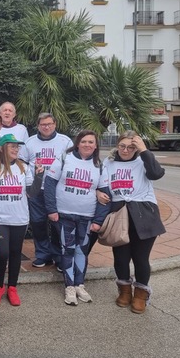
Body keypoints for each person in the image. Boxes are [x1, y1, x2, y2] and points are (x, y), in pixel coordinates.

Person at [98, 130, 166, 314]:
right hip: (119, 214)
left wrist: (144, 150)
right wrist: (98, 192)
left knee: (140, 258)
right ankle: (124, 290)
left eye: (131, 147)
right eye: (122, 146)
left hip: (144, 214)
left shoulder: (142, 161)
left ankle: (141, 294)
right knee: (120, 257)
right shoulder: (109, 162)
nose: (126, 150)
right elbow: (101, 182)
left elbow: (156, 173)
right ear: (117, 145)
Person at [44, 130, 110, 306]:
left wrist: (98, 221)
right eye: (84, 141)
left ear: (96, 146)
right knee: (68, 249)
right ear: (78, 143)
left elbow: (106, 195)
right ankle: (69, 287)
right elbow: (49, 183)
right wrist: (51, 209)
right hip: (64, 215)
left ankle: (80, 284)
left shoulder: (99, 165)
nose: (87, 145)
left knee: (82, 251)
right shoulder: (64, 158)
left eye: (91, 142)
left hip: (86, 217)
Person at [0, 134, 43, 306]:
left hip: (19, 219)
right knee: (1, 253)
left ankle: (12, 288)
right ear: (1, 148)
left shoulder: (24, 167)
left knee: (15, 254)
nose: (16, 149)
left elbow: (32, 192)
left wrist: (39, 176)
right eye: (11, 146)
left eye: (17, 146)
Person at [24, 113, 73, 269]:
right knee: (38, 223)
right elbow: (22, 163)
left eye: (49, 124)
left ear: (55, 124)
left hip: (58, 190)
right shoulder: (30, 142)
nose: (46, 127)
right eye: (43, 124)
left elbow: (71, 163)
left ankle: (58, 256)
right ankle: (43, 254)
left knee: (57, 223)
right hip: (37, 190)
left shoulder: (65, 141)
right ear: (38, 126)